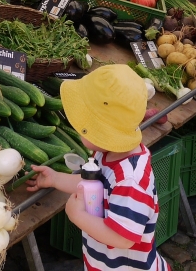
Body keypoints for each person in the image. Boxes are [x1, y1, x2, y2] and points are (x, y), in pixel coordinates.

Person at [26, 65, 170, 271]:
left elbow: (122, 238)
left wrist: (78, 216)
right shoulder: (106, 153)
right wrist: (55, 178)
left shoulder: (130, 182)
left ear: (103, 130)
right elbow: (92, 183)